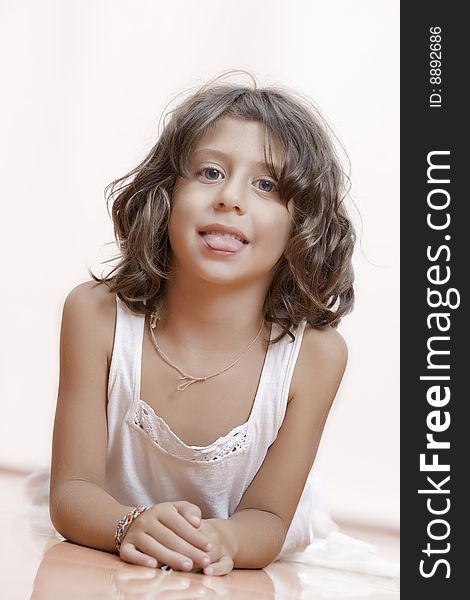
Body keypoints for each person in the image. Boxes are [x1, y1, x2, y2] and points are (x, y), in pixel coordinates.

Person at [49, 72, 355, 577]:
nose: (231, 198)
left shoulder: (316, 356)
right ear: (165, 193)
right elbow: (73, 491)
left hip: (242, 532)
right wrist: (130, 524)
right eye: (210, 172)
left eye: (266, 185)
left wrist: (222, 538)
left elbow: (268, 517)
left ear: (304, 223)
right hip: (115, 517)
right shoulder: (95, 315)